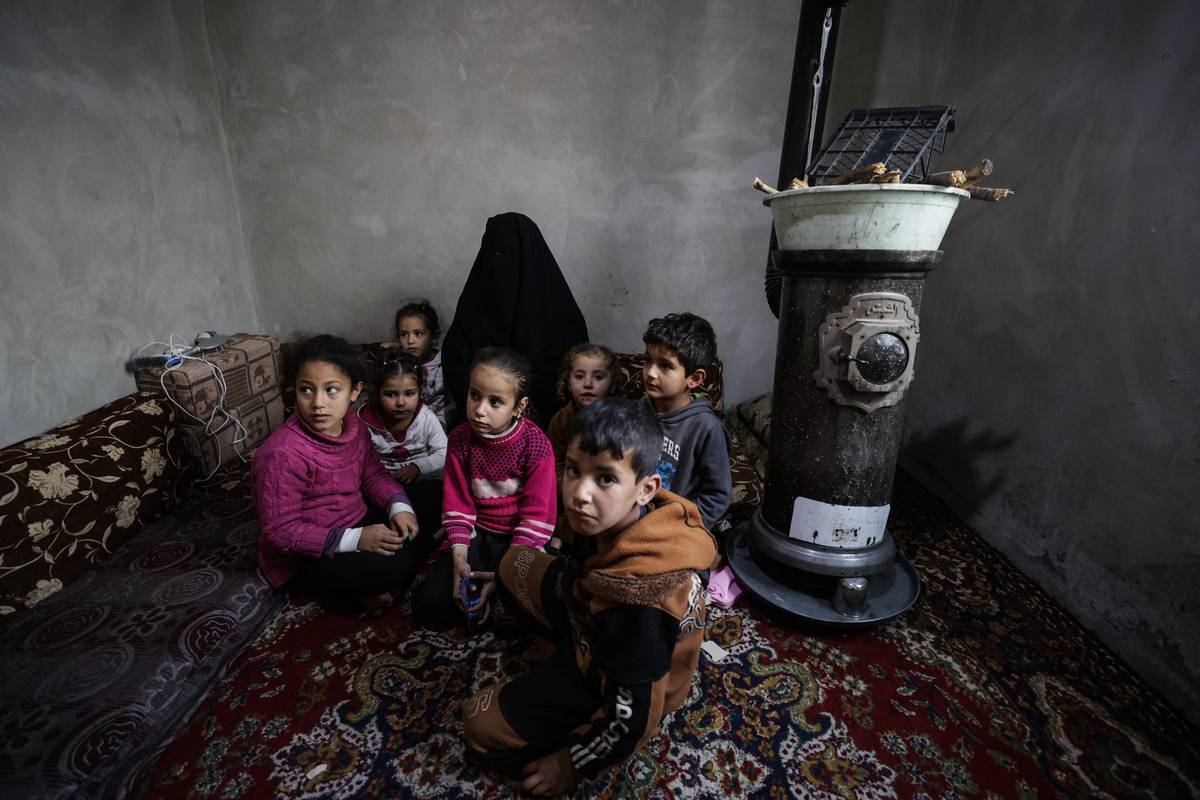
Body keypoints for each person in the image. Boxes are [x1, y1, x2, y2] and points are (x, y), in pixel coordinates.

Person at [462, 398, 717, 795]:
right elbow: (575, 574)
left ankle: (574, 673)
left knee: (478, 724)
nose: (580, 493)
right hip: (591, 616)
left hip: (623, 674)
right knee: (514, 564)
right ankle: (568, 646)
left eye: (606, 479)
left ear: (646, 489)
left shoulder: (640, 603)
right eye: (575, 470)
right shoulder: (606, 516)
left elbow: (632, 722)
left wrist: (570, 764)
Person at [251, 334, 431, 607]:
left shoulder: (355, 426)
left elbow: (372, 475)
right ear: (295, 389)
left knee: (433, 496)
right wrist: (357, 539)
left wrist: (399, 508)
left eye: (332, 389)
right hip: (308, 555)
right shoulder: (281, 454)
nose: (318, 403)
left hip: (355, 520)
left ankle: (395, 565)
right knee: (394, 564)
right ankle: (368, 586)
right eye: (306, 390)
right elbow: (280, 532)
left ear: (354, 391)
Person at [410, 346, 557, 629]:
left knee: (522, 614)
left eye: (495, 402)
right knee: (430, 607)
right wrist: (459, 560)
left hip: (520, 538)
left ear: (519, 406)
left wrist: (503, 577)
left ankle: (499, 601)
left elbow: (537, 518)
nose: (479, 410)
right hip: (478, 532)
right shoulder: (460, 439)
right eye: (474, 395)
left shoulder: (536, 447)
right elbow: (458, 505)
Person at [641, 312, 732, 529]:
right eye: (647, 361)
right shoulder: (636, 413)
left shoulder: (707, 429)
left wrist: (682, 528)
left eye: (665, 366)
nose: (650, 373)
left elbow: (716, 497)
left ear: (694, 378)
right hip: (633, 518)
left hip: (677, 529)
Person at [358, 352, 447, 538]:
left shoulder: (425, 418)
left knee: (437, 494)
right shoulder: (365, 423)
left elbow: (444, 452)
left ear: (419, 391)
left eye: (409, 393)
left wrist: (418, 467)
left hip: (422, 482)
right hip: (382, 487)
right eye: (391, 394)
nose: (401, 402)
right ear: (377, 393)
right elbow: (358, 461)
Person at [393, 298, 448, 426]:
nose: (410, 340)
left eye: (418, 333)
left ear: (434, 337)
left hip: (439, 425)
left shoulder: (445, 364)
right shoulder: (396, 365)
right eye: (404, 334)